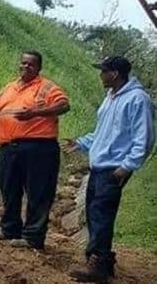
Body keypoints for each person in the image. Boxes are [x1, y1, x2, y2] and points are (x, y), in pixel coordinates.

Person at [65, 56, 155, 283]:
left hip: (114, 168)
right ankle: (99, 258)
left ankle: (100, 264)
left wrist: (126, 167)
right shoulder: (111, 97)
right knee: (95, 213)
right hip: (99, 165)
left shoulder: (137, 99)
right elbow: (104, 132)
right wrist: (82, 142)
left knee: (101, 215)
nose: (100, 75)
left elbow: (143, 139)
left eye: (103, 71)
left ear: (114, 74)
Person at [0, 50, 70, 250]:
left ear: (38, 68)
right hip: (9, 148)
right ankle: (10, 229)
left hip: (39, 148)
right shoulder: (9, 87)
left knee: (38, 192)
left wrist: (35, 113)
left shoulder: (47, 87)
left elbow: (64, 105)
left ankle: (33, 237)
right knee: (9, 189)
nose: (25, 67)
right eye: (23, 63)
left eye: (30, 64)